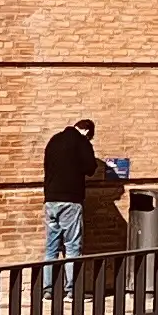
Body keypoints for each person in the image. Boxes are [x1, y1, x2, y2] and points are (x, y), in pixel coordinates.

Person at [40, 114, 102, 292]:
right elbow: (90, 168)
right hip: (71, 200)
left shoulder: (54, 140)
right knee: (72, 245)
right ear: (87, 131)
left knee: (51, 247)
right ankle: (70, 290)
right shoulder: (82, 142)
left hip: (51, 200)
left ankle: (47, 290)